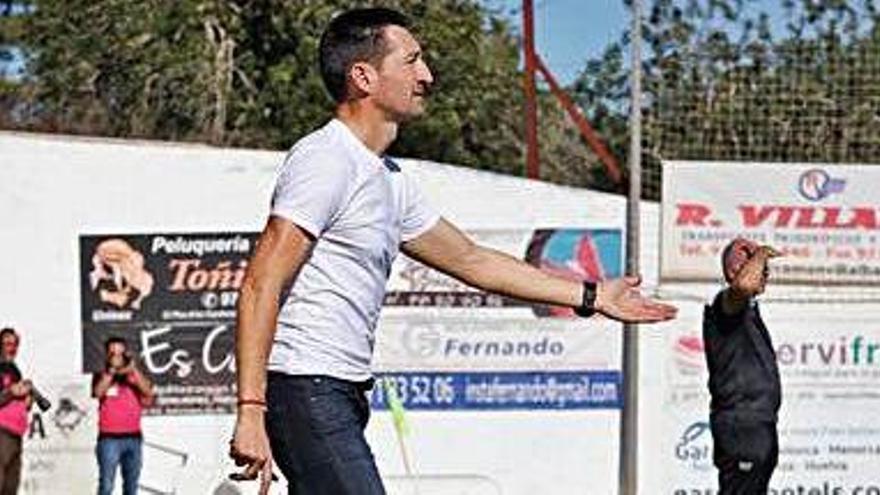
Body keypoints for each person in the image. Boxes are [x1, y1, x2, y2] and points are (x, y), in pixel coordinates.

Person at [228, 7, 678, 494]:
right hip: (305, 384)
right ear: (363, 76)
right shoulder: (326, 159)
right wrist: (251, 410)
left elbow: (472, 260)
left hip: (340, 390)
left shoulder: (388, 179)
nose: (427, 75)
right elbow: (261, 282)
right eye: (412, 61)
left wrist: (591, 296)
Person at [703, 238, 782, 494]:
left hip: (757, 425)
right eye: (760, 268)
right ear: (734, 271)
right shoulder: (726, 306)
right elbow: (743, 286)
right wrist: (759, 254)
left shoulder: (748, 311)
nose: (765, 274)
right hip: (741, 426)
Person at [92, 337, 155, 495]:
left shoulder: (134, 376)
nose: (117, 356)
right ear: (107, 354)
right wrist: (112, 371)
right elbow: (97, 392)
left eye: (120, 352)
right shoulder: (101, 374)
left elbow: (148, 391)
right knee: (106, 485)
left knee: (131, 486)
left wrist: (132, 370)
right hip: (109, 439)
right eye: (112, 352)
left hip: (133, 438)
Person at [0, 327, 31, 495]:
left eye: (14, 344)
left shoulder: (13, 369)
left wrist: (25, 402)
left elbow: (14, 399)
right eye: (6, 344)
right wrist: (11, 392)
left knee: (11, 487)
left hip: (15, 434)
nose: (11, 348)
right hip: (1, 433)